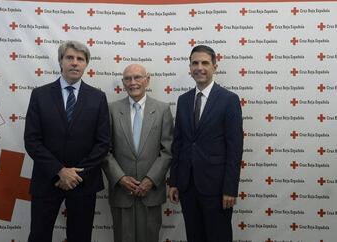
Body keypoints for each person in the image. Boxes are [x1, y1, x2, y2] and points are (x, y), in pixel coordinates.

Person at [24, 40, 110, 242]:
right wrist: (59, 171)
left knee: (80, 237)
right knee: (38, 236)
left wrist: (75, 175)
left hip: (83, 182)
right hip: (47, 180)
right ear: (60, 61)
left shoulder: (98, 97)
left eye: (80, 59)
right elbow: (32, 140)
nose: (75, 63)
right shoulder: (40, 95)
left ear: (86, 64)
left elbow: (103, 142)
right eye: (70, 57)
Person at [168, 45, 243, 242]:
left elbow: (235, 149)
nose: (199, 67)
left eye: (204, 63)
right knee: (194, 236)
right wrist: (174, 181)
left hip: (217, 188)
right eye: (195, 63)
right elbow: (178, 143)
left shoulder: (229, 100)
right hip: (187, 186)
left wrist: (230, 189)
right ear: (189, 68)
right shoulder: (183, 100)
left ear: (214, 67)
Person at [102, 64, 173, 242]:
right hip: (121, 192)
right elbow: (104, 150)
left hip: (151, 192)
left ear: (147, 80)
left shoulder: (163, 109)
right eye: (127, 78)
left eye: (137, 77)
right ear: (123, 83)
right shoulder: (110, 109)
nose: (133, 82)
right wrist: (120, 178)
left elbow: (168, 150)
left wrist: (151, 179)